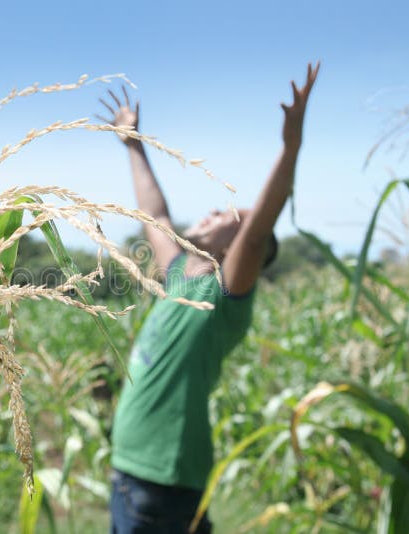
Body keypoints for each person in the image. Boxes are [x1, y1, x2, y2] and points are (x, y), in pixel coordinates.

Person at [98, 62, 320, 533]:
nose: (214, 209)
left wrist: (291, 146)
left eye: (226, 213)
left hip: (162, 482)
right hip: (130, 472)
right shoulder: (179, 273)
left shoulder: (223, 298)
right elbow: (153, 211)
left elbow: (258, 232)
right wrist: (134, 145)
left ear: (232, 249)